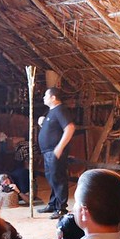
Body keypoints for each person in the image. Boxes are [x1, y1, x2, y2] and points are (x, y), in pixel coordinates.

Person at [37, 87, 76, 219]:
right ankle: (53, 204)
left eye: (45, 95)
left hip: (55, 151)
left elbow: (70, 128)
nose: (43, 98)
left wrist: (59, 147)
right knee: (52, 178)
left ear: (53, 98)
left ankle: (61, 208)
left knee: (58, 178)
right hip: (48, 151)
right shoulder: (52, 111)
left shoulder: (60, 110)